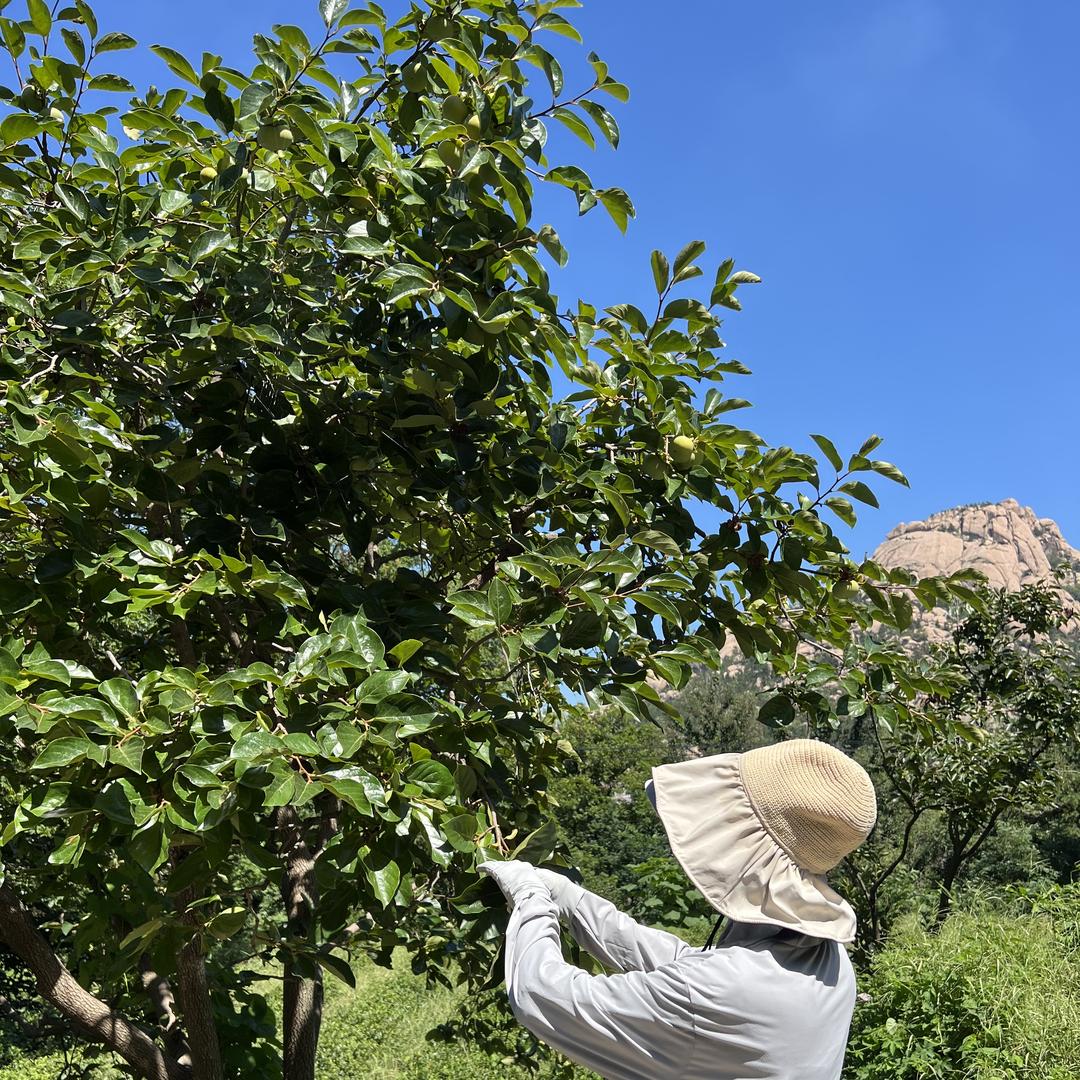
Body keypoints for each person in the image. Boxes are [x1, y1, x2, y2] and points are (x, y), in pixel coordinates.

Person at [480, 738, 877, 1080]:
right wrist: (571, 899)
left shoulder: (723, 990)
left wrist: (531, 899)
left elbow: (542, 994)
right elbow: (690, 965)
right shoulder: (830, 962)